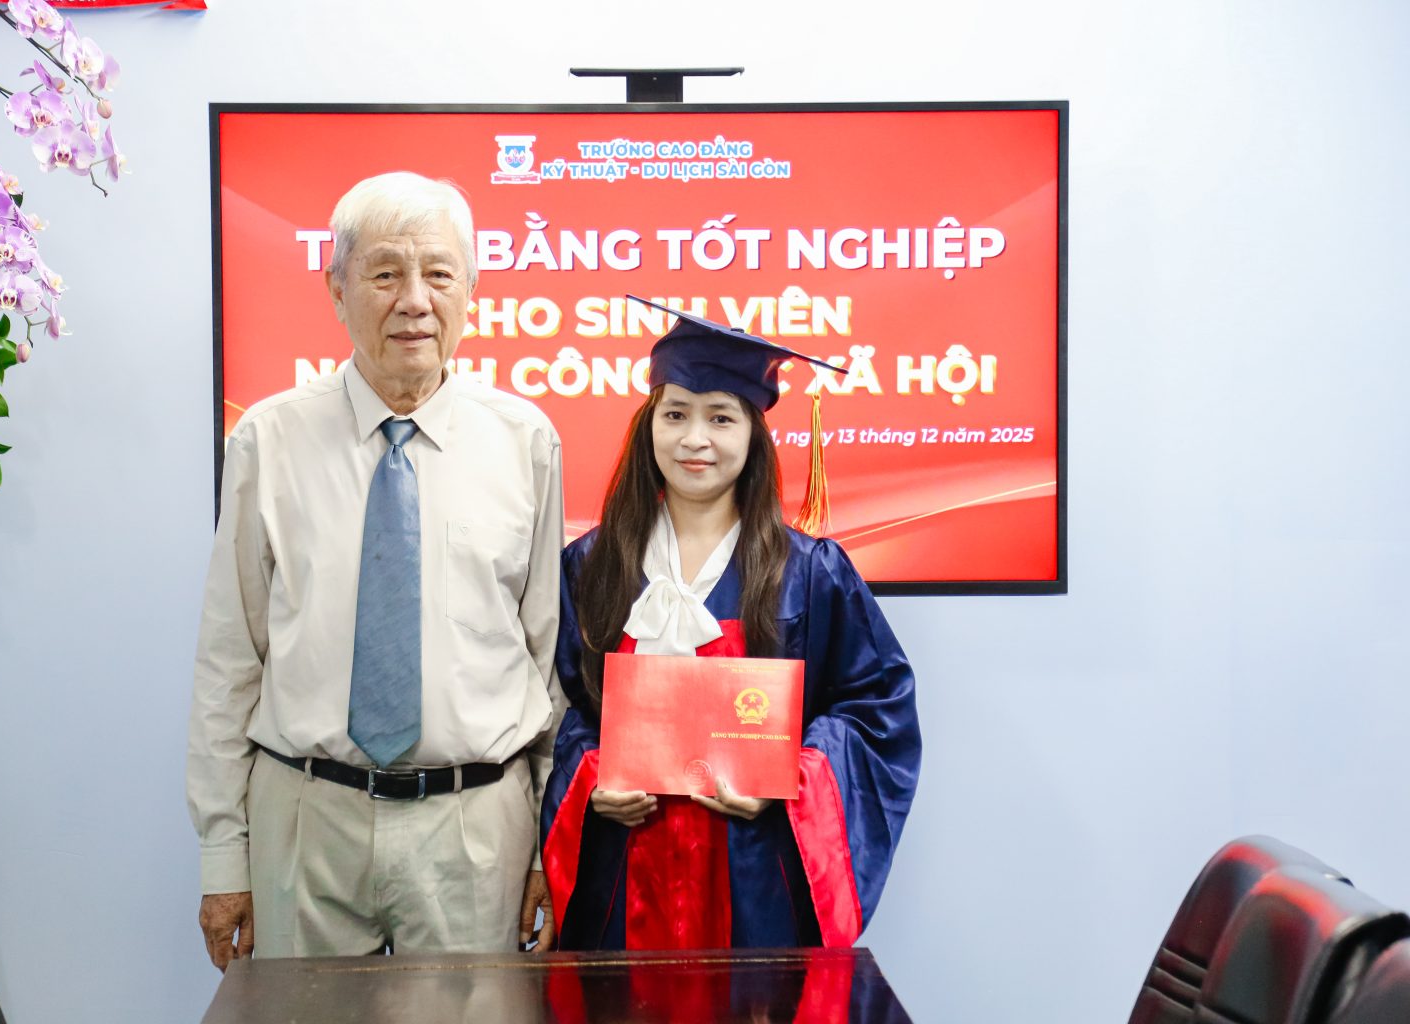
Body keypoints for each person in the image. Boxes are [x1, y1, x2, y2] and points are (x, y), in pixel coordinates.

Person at [188, 172, 564, 969]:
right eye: (386, 273)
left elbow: (546, 658)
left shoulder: (525, 442)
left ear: (471, 290)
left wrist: (546, 847)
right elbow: (230, 660)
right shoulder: (268, 441)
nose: (414, 301)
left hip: (475, 825)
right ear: (337, 289)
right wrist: (224, 854)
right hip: (307, 816)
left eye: (439, 274)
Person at [540, 297, 921, 950]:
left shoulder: (808, 573)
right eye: (675, 414)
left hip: (755, 878)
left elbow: (876, 710)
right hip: (625, 880)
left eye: (721, 417)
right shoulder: (592, 566)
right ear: (649, 425)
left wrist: (789, 776)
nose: (695, 439)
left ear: (753, 434)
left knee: (753, 998)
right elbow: (562, 708)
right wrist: (591, 777)